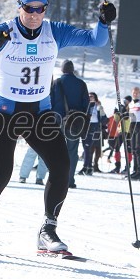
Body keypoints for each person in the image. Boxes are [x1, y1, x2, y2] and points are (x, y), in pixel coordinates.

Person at [0, 0, 116, 257]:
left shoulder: (54, 32)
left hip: (39, 113)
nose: (34, 14)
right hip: (5, 112)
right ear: (19, 6)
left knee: (61, 166)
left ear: (45, 8)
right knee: (0, 174)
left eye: (39, 9)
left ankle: (48, 231)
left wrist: (103, 22)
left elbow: (96, 40)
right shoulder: (6, 30)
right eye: (29, 8)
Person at [51, 60, 90, 188]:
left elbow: (50, 101)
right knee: (72, 152)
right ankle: (69, 180)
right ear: (73, 70)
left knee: (57, 151)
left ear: (62, 70)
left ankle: (57, 179)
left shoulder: (57, 83)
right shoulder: (81, 84)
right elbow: (87, 105)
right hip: (75, 123)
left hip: (58, 121)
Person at [79, 92, 106, 175]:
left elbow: (104, 119)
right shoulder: (85, 105)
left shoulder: (97, 106)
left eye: (92, 96)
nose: (90, 98)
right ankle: (89, 167)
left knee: (88, 147)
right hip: (85, 126)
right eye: (89, 96)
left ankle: (86, 167)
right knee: (86, 147)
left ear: (95, 98)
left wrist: (100, 110)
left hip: (93, 127)